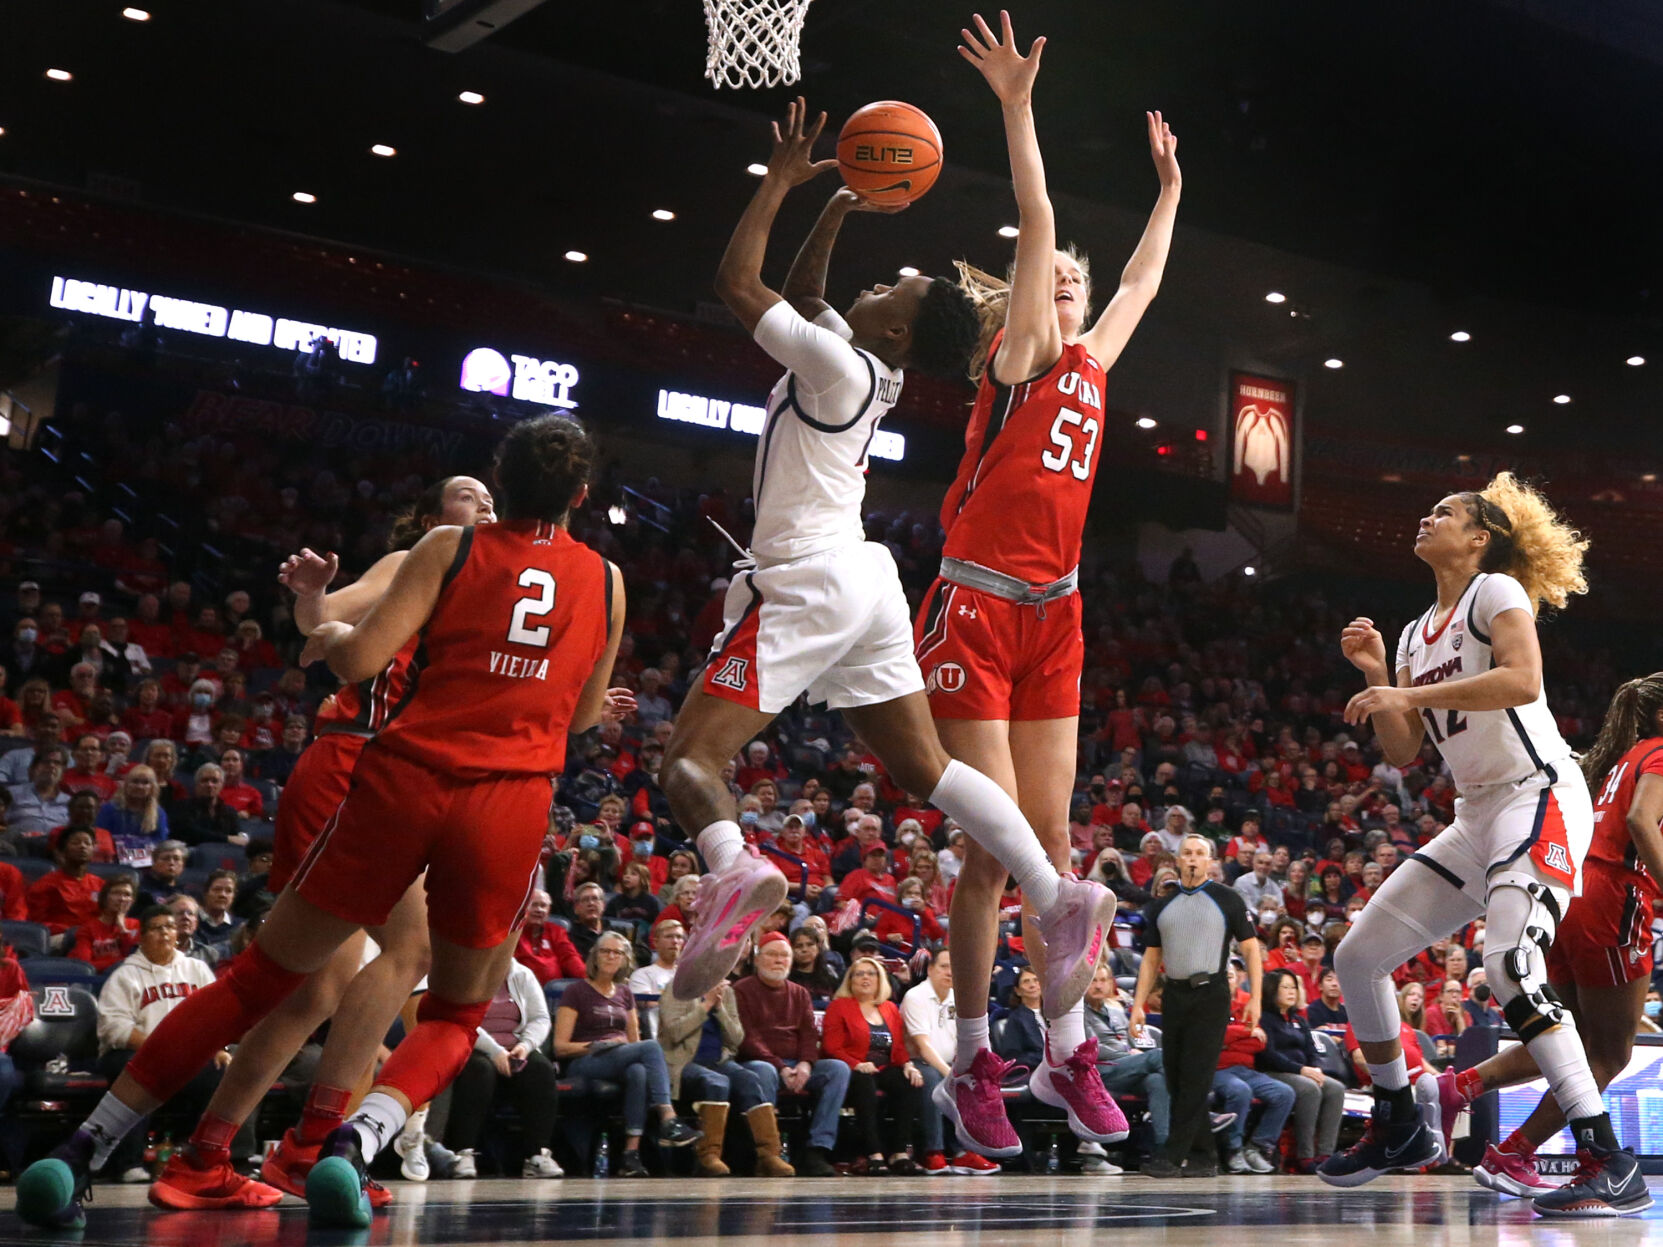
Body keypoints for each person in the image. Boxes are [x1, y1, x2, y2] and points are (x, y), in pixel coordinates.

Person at [16, 417, 627, 1231]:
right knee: (445, 1007)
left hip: (398, 778)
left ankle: (94, 1146)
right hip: (499, 796)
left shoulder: (451, 551)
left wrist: (327, 624)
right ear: (581, 496)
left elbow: (350, 653)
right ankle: (343, 1143)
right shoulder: (603, 580)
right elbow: (584, 712)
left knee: (274, 980)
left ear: (500, 482)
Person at [655, 100, 1115, 1093]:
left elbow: (738, 283)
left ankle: (733, 864)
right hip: (869, 581)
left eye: (891, 285)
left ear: (897, 325)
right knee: (922, 766)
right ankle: (1051, 884)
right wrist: (840, 208)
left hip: (810, 576)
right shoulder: (869, 367)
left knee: (687, 757)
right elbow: (814, 295)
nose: (876, 283)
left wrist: (780, 183)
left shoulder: (831, 362)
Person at [922, 11, 1181, 1162]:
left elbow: (1139, 279)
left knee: (1054, 840)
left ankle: (1061, 1046)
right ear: (1024, 303)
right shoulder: (1019, 357)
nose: (1072, 284)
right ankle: (975, 1051)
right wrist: (1018, 107)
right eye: (1055, 279)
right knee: (992, 852)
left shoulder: (1093, 360)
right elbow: (1037, 222)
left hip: (1056, 610)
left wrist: (1169, 189)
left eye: (1075, 282)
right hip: (975, 599)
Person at [1321, 473, 1643, 1215]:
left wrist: (1405, 692)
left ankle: (1606, 1155)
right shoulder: (1411, 632)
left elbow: (1522, 679)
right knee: (1357, 954)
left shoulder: (1495, 590)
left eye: (1446, 512)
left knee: (1507, 963)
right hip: (1476, 814)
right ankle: (1400, 1121)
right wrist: (1379, 675)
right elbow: (1404, 750)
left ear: (1479, 538)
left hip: (1538, 793)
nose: (1427, 517)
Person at [1439, 672, 1663, 1202]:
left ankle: (1459, 1087)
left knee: (1566, 1037)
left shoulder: (1615, 761)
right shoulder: (1659, 754)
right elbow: (1640, 819)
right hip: (1613, 898)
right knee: (1610, 1054)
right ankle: (1514, 1153)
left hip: (1572, 894)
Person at [1132, 834, 1261, 1177]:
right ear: (1176, 860)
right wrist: (1138, 1005)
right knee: (1176, 1078)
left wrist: (1256, 999)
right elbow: (1149, 960)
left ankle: (1172, 1155)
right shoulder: (1161, 905)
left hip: (1212, 994)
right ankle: (1205, 1156)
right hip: (1174, 995)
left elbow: (1250, 950)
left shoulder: (1228, 899)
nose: (1192, 859)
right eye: (1186, 853)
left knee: (1195, 1077)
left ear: (1210, 862)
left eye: (1199, 854)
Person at [553, 931, 699, 1177]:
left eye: (617, 952)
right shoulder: (576, 992)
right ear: (595, 957)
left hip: (619, 1057)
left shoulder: (624, 993)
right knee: (652, 1047)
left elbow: (634, 1043)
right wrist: (596, 1045)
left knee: (639, 1070)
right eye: (605, 951)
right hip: (584, 1060)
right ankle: (667, 1117)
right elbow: (560, 1047)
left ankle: (630, 1156)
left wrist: (619, 1047)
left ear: (624, 959)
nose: (611, 956)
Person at [93, 908, 223, 1183]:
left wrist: (216, 1047)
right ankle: (129, 1163)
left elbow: (216, 1015)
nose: (164, 932)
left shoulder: (196, 969)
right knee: (137, 1070)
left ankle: (196, 1154)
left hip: (185, 1054)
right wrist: (158, 1047)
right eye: (156, 928)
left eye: (169, 926)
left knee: (219, 1070)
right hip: (136, 1052)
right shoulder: (125, 975)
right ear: (142, 938)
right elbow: (113, 1027)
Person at [732, 932, 850, 1176]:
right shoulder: (741, 990)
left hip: (796, 1063)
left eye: (784, 955)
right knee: (763, 1072)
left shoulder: (799, 992)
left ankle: (817, 1148)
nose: (779, 960)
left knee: (837, 1070)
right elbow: (747, 1037)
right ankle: (769, 1151)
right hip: (759, 1062)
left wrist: (806, 1064)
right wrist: (781, 1067)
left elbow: (808, 1035)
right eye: (772, 955)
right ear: (757, 959)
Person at [658, 975, 794, 1178]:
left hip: (719, 1061)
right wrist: (706, 1005)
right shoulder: (677, 988)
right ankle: (708, 1156)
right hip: (683, 1062)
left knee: (749, 1079)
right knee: (716, 1082)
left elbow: (736, 1038)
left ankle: (769, 1155)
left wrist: (720, 1008)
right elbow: (674, 1032)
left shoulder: (727, 992)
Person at [444, 958, 564, 1179]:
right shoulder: (465, 970)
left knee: (541, 1070)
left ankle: (537, 1155)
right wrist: (495, 1051)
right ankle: (463, 1152)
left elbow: (540, 1018)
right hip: (473, 1045)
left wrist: (525, 1046)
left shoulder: (522, 974)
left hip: (515, 1046)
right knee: (480, 1070)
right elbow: (463, 1019)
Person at [822, 956, 926, 1174]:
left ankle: (899, 1152)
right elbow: (832, 1047)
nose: (865, 978)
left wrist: (908, 1065)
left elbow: (897, 1048)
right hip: (851, 1070)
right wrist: (856, 1064)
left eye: (872, 973)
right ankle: (874, 1153)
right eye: (859, 974)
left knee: (908, 1083)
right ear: (850, 980)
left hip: (883, 1068)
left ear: (880, 980)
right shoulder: (838, 1006)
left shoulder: (888, 1008)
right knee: (864, 1085)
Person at [1083, 963, 1171, 1161]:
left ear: (1110, 984)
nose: (1098, 986)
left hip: (1127, 1069)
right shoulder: (1078, 1013)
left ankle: (1164, 1148)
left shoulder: (1116, 1011)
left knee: (1157, 1080)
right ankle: (1199, 1116)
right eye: (1093, 981)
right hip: (1099, 1072)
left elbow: (1131, 1041)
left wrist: (1133, 1054)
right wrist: (1129, 1055)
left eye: (1102, 980)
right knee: (1159, 1056)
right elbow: (1091, 1049)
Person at [1212, 963, 1293, 1174]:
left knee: (1284, 1093)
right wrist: (1245, 1032)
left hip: (1247, 1068)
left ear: (1238, 978)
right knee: (1240, 1090)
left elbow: (1260, 1043)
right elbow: (1211, 1038)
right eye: (1222, 976)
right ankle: (1233, 1149)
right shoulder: (1207, 1004)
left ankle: (1258, 1147)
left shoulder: (1248, 1002)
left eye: (1230, 976)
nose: (1227, 980)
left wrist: (1230, 1038)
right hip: (1216, 1069)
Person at [1258, 968, 1343, 1170]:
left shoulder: (1299, 1020)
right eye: (1285, 987)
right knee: (1310, 1089)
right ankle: (1305, 1156)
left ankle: (1325, 1154)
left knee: (1336, 1088)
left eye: (1293, 988)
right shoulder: (1264, 1019)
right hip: (1273, 1072)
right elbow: (1268, 1055)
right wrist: (1302, 1070)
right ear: (1272, 991)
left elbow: (1312, 1050)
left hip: (1301, 1071)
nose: (1291, 992)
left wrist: (1315, 1068)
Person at [26, 827, 104, 937]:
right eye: (76, 843)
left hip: (96, 937)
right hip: (61, 937)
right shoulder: (45, 885)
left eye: (88, 843)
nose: (83, 846)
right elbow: (37, 924)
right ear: (62, 851)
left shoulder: (101, 885)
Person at [68, 875, 139, 972]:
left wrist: (122, 928)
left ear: (132, 901)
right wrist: (119, 963)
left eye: (127, 895)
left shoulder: (137, 926)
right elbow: (84, 967)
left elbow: (137, 960)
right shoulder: (88, 929)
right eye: (116, 893)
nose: (122, 899)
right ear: (105, 898)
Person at [516, 889, 585, 985]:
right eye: (534, 905)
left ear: (549, 910)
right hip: (521, 988)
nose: (539, 910)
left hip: (553, 995)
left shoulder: (557, 931)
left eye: (543, 906)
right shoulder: (514, 933)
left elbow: (569, 957)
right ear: (523, 908)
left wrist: (588, 979)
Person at [628, 918, 684, 996]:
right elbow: (651, 1005)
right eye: (669, 936)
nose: (675, 941)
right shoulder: (642, 975)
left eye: (679, 937)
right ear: (656, 942)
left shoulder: (688, 976)